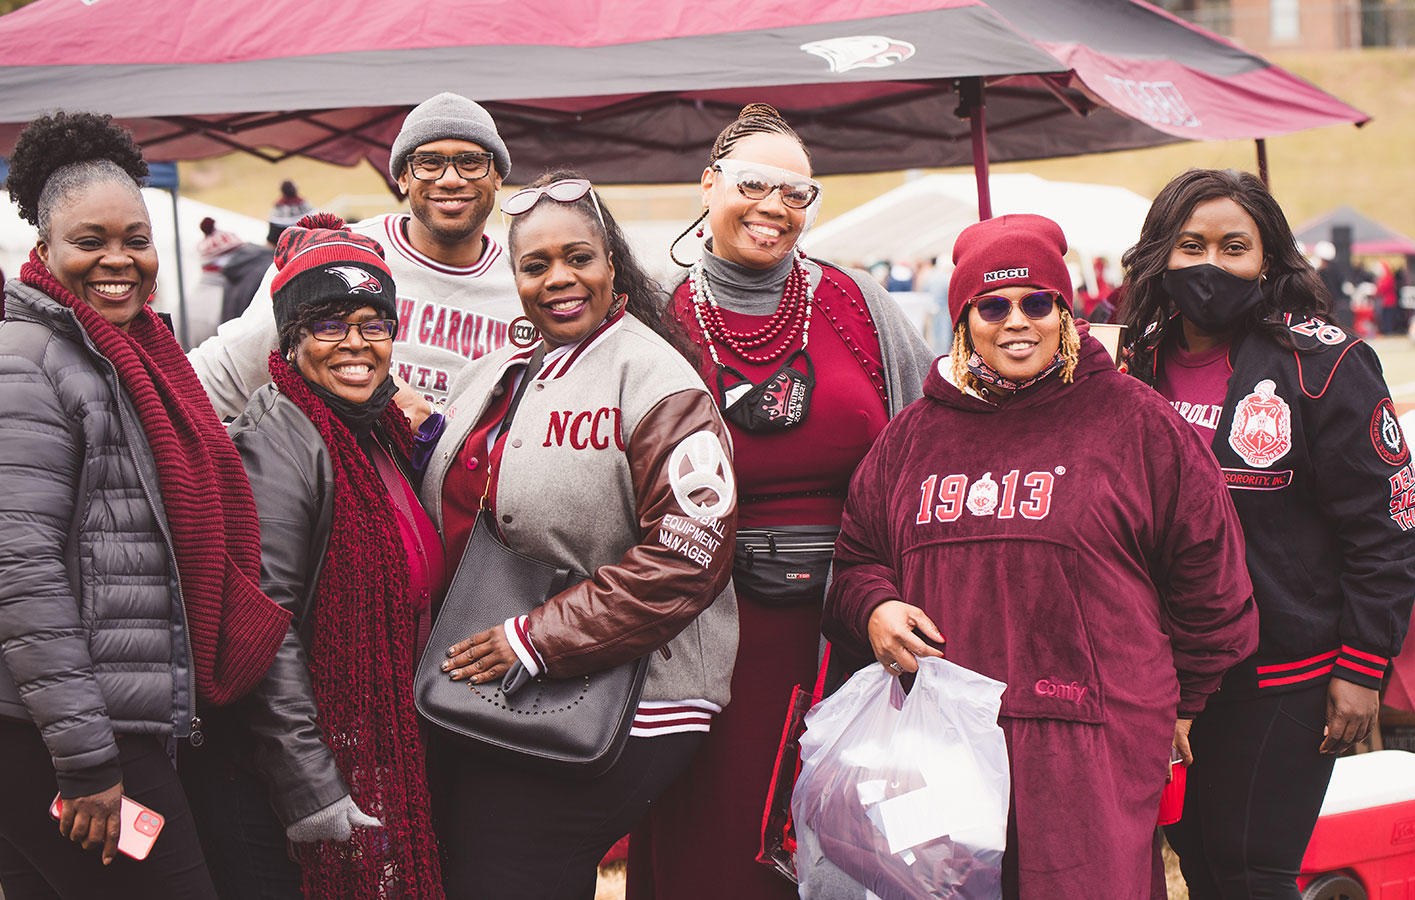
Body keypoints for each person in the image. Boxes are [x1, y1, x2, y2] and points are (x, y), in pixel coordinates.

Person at [820, 213, 1257, 899]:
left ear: (1065, 310)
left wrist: (1185, 699)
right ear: (963, 319)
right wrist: (873, 608)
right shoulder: (913, 438)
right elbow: (855, 562)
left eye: (1036, 302)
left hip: (1089, 746)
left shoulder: (1136, 424)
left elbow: (1213, 583)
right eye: (991, 306)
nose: (1015, 321)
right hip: (944, 742)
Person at [629, 103, 934, 900]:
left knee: (846, 847)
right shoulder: (653, 313)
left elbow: (930, 443)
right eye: (754, 183)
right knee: (717, 849)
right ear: (708, 186)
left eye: (797, 193)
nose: (774, 207)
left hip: (854, 627)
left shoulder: (857, 303)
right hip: (702, 634)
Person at [419, 172, 738, 899]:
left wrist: (537, 640)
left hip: (633, 694)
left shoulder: (655, 378)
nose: (559, 278)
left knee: (510, 875)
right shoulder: (497, 369)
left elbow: (689, 554)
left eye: (578, 257)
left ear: (611, 263)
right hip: (493, 688)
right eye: (535, 265)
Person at [0, 112, 289, 899]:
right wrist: (88, 759)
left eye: (135, 238)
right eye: (89, 241)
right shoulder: (31, 363)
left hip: (100, 717)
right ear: (45, 246)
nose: (118, 259)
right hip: (67, 736)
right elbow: (21, 575)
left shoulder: (128, 355)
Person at [1118, 169, 1415, 900]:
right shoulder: (1128, 362)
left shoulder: (1324, 366)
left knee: (1252, 873)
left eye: (1235, 247)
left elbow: (1388, 530)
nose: (1211, 265)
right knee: (1197, 865)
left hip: (1282, 673)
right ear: (1161, 252)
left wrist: (1361, 668)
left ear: (1269, 259)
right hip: (1160, 674)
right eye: (1191, 245)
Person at [180, 215, 447, 898]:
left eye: (372, 323)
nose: (355, 344)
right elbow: (266, 636)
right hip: (280, 783)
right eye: (328, 324)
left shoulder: (375, 430)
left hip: (354, 752)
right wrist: (311, 789)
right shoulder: (278, 444)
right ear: (291, 339)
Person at [190, 92, 519, 418]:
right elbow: (229, 372)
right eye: (429, 163)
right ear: (403, 177)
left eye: (471, 163)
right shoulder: (335, 254)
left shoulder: (526, 281)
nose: (450, 179)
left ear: (497, 177)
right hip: (342, 467)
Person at [266, 181, 313, 245]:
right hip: (306, 244)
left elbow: (271, 240)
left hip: (283, 245)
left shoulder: (278, 209)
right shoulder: (305, 206)